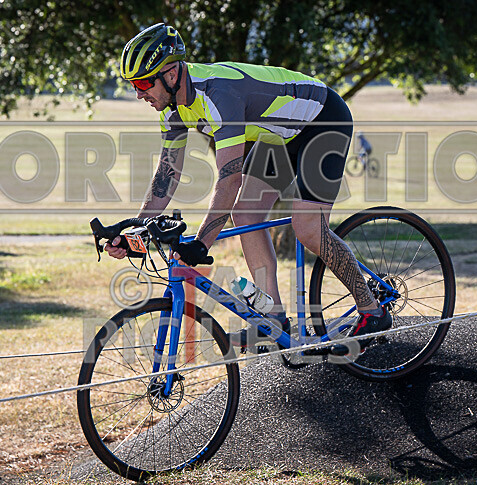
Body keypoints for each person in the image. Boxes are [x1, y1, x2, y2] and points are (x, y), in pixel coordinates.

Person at [107, 23, 391, 348]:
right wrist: (135, 230)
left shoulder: (217, 95)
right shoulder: (171, 107)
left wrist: (201, 244)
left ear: (171, 74)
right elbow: (167, 175)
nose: (139, 94)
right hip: (278, 136)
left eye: (143, 83)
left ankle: (372, 309)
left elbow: (229, 179)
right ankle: (273, 318)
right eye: (133, 85)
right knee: (244, 214)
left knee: (308, 228)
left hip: (322, 120)